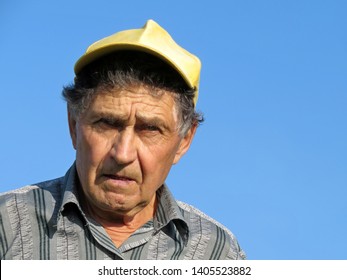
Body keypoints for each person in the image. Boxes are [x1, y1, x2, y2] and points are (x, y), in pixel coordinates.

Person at [0, 20, 245, 260]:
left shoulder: (217, 253)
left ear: (184, 140)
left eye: (150, 129)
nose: (123, 153)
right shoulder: (7, 225)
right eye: (107, 123)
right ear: (74, 125)